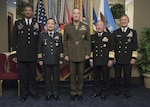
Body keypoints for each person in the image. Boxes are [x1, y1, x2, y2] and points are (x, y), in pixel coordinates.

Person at [11, 5, 40, 102]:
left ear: (32, 12)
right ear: (24, 12)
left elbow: (39, 40)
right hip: (21, 55)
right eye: (26, 10)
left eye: (30, 10)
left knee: (32, 75)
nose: (28, 12)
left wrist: (39, 55)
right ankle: (24, 94)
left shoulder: (37, 24)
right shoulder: (18, 23)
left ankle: (33, 93)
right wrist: (15, 54)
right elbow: (14, 39)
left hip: (32, 54)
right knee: (22, 76)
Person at [63, 8, 91, 101]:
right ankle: (73, 92)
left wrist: (87, 53)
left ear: (80, 15)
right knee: (73, 75)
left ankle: (80, 92)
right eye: (74, 13)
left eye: (78, 13)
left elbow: (88, 41)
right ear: (72, 15)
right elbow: (64, 41)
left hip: (82, 55)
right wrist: (66, 54)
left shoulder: (85, 26)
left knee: (81, 75)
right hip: (71, 55)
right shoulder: (67, 27)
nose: (76, 15)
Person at [113, 15, 138, 100]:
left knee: (127, 76)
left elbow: (135, 46)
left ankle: (127, 91)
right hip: (118, 58)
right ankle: (117, 91)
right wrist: (113, 58)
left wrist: (134, 58)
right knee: (117, 75)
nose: (123, 21)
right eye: (122, 20)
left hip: (128, 58)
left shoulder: (133, 32)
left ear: (128, 21)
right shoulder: (115, 32)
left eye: (125, 20)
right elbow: (113, 47)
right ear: (119, 22)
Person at [37, 18, 63, 101]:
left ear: (55, 25)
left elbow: (61, 48)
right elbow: (39, 48)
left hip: (56, 59)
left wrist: (61, 58)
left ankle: (55, 93)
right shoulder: (42, 35)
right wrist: (40, 59)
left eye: (52, 23)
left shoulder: (59, 35)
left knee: (56, 78)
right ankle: (48, 93)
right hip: (46, 60)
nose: (50, 25)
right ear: (46, 25)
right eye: (49, 23)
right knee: (47, 78)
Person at [89, 20, 114, 101]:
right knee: (96, 77)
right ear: (95, 27)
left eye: (101, 25)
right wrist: (91, 60)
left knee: (105, 77)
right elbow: (91, 50)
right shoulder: (92, 36)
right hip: (96, 61)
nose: (99, 27)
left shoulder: (109, 36)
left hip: (105, 61)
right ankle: (97, 91)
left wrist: (111, 59)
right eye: (97, 25)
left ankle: (104, 92)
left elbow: (112, 49)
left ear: (104, 26)